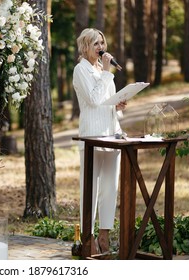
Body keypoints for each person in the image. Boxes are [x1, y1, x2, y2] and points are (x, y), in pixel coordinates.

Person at [72, 28, 127, 254]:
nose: (100, 47)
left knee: (109, 187)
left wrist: (117, 105)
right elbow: (93, 100)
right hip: (92, 135)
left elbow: (105, 100)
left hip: (111, 133)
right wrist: (106, 72)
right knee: (90, 188)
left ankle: (105, 235)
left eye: (102, 43)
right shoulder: (80, 70)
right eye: (96, 43)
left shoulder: (102, 70)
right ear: (85, 46)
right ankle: (89, 237)